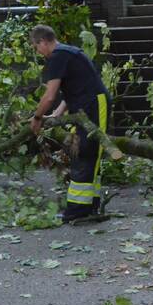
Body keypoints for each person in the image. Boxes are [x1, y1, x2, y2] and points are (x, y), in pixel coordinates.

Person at [29, 24, 111, 223]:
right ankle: (89, 206)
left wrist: (37, 117)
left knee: (86, 151)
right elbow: (70, 90)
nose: (37, 51)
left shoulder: (58, 56)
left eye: (35, 46)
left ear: (43, 42)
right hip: (83, 107)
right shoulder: (66, 53)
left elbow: (49, 96)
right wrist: (55, 116)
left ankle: (77, 210)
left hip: (93, 105)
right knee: (84, 151)